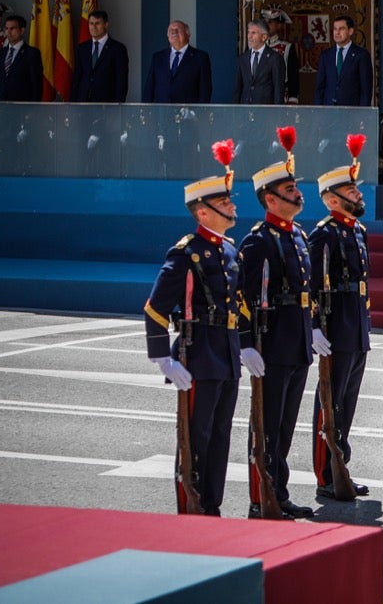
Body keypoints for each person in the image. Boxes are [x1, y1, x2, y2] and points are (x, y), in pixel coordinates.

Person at [143, 143, 246, 516]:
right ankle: (191, 507)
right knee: (195, 438)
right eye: (225, 202)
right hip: (199, 354)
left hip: (227, 353)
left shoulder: (232, 251)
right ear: (203, 211)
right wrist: (163, 359)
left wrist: (246, 346)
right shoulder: (185, 253)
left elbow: (241, 303)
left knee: (220, 435)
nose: (233, 206)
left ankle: (212, 506)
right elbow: (155, 308)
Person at [237, 135, 318, 520]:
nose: (298, 195)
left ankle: (279, 492)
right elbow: (241, 297)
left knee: (285, 426)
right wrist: (245, 344)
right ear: (270, 199)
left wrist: (313, 329)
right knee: (266, 428)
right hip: (271, 345)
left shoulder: (298, 237)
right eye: (290, 190)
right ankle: (261, 497)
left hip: (297, 342)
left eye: (296, 188)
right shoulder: (258, 242)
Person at [310, 137, 372, 502]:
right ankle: (325, 473)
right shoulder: (324, 234)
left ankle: (341, 465)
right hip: (335, 327)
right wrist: (315, 326)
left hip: (356, 325)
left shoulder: (358, 232)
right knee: (329, 403)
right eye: (350, 191)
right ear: (333, 200)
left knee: (347, 402)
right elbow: (314, 285)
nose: (358, 196)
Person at [144, 20, 214, 103]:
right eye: (171, 30)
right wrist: (146, 111)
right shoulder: (158, 57)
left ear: (188, 34)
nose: (174, 32)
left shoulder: (200, 57)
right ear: (167, 36)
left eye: (178, 30)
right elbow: (149, 87)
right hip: (162, 112)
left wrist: (200, 112)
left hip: (188, 113)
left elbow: (205, 89)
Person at [71, 9, 129, 102]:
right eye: (91, 23)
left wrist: (118, 106)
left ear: (106, 25)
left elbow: (121, 81)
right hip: (83, 103)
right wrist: (73, 103)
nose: (93, 27)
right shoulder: (82, 48)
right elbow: (77, 78)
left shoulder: (118, 49)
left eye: (97, 23)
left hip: (107, 105)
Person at [314, 15, 373, 106]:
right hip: (328, 112)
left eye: (341, 29)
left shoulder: (361, 55)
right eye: (335, 29)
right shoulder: (325, 55)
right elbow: (319, 88)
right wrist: (318, 112)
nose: (337, 32)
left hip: (352, 113)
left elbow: (366, 91)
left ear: (350, 31)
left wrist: (362, 115)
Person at [0, 14, 43, 102]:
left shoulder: (32, 53)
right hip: (0, 107)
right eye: (6, 28)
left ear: (22, 30)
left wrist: (33, 110)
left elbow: (37, 85)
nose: (9, 32)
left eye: (12, 28)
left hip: (22, 108)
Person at [235, 19, 286, 104]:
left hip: (266, 113)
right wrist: (235, 112)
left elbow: (278, 90)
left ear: (264, 37)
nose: (249, 36)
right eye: (248, 32)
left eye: (253, 33)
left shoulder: (275, 58)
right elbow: (238, 89)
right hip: (245, 112)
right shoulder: (243, 58)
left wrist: (277, 113)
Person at [263, 8, 300, 104]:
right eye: (264, 22)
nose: (266, 25)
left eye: (270, 22)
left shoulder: (287, 47)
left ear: (279, 25)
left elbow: (293, 76)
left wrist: (293, 98)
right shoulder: (255, 46)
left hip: (280, 97)